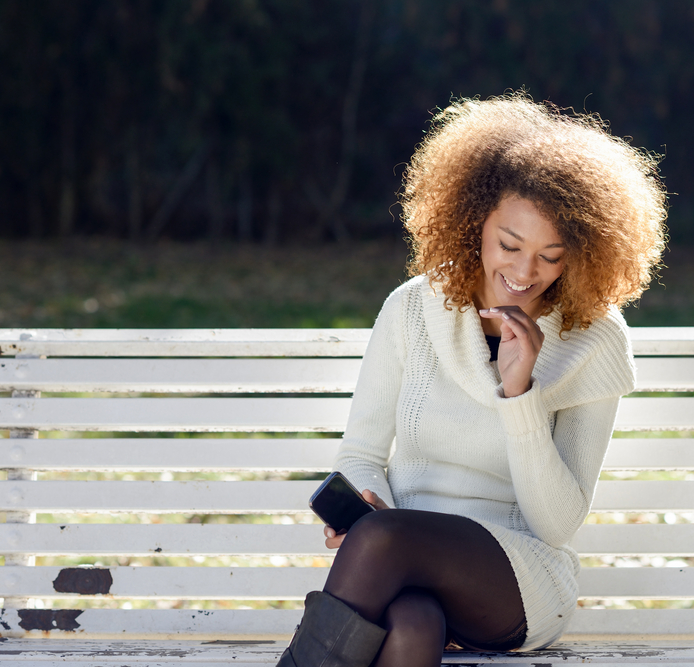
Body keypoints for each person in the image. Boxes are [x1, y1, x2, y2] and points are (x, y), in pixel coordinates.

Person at [277, 93, 666, 667]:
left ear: (581, 254)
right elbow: (359, 455)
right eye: (509, 244)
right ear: (473, 221)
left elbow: (557, 524)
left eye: (550, 255)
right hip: (400, 557)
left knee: (384, 541)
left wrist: (519, 396)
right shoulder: (412, 309)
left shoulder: (594, 337)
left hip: (517, 579)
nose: (524, 272)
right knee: (412, 623)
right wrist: (369, 509)